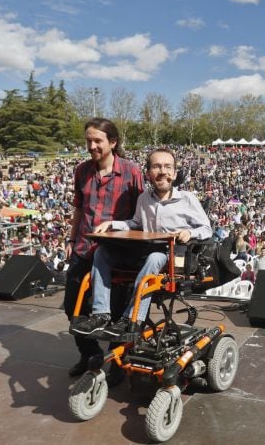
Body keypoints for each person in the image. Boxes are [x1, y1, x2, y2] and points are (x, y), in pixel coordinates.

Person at [72, 147, 210, 339]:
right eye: (157, 166)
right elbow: (135, 224)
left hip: (172, 257)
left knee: (155, 258)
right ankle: (100, 314)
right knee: (101, 253)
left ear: (175, 173)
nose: (162, 171)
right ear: (148, 173)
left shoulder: (188, 199)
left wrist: (190, 232)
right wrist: (112, 224)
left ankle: (132, 319)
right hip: (143, 252)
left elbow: (207, 229)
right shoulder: (144, 198)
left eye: (168, 167)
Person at [64, 118, 144, 377]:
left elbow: (142, 213)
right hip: (84, 248)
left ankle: (117, 365)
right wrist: (70, 239)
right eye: (88, 140)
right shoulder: (81, 171)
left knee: (118, 312)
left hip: (118, 253)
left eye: (97, 140)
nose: (91, 145)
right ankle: (91, 356)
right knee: (71, 305)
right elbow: (78, 208)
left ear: (112, 142)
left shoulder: (132, 171)